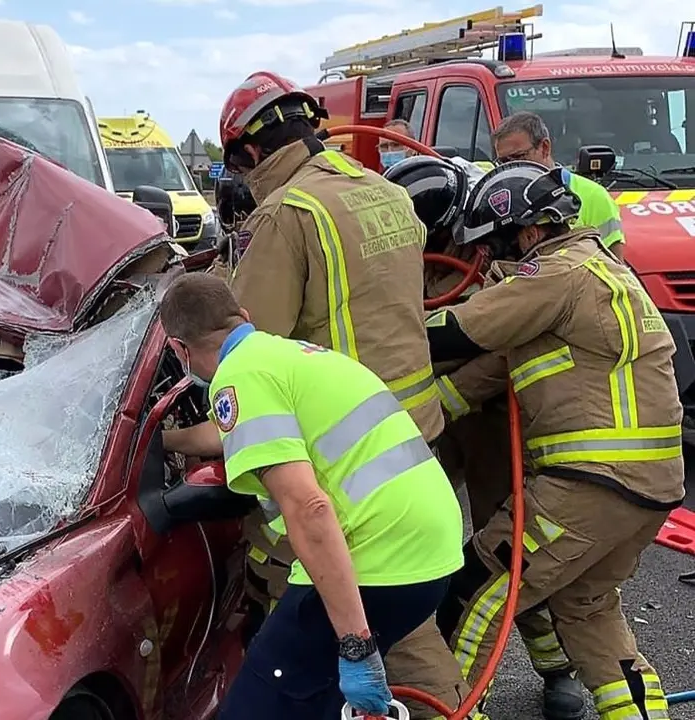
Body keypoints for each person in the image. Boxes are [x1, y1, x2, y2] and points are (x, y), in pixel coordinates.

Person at [168, 70, 445, 627]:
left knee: (347, 593)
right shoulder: (386, 191)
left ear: (248, 149)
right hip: (410, 426)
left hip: (343, 445)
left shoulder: (287, 213)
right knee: (400, 593)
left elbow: (242, 343)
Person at [426, 161, 681, 720]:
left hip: (590, 484)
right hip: (646, 486)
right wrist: (427, 412)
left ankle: (453, 710)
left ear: (530, 231)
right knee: (586, 607)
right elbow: (499, 365)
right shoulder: (603, 270)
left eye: (493, 245)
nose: (488, 262)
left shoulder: (552, 274)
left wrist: (379, 343)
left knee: (480, 588)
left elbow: (460, 332)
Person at [159, 273, 464, 719]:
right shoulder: (283, 355)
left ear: (179, 350)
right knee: (316, 698)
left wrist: (355, 645)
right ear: (244, 317)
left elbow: (310, 507)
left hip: (379, 559)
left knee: (256, 708)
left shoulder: (239, 378)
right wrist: (165, 440)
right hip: (430, 548)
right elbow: (232, 429)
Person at [386, 155, 586, 720]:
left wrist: (445, 400)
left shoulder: (499, 269)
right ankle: (436, 672)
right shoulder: (406, 266)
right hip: (427, 420)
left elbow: (500, 349)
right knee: (421, 542)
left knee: (505, 554)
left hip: (488, 421)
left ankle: (554, 669)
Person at [492, 111, 627, 263]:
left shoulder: (594, 196)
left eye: (519, 158)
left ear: (544, 147)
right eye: (503, 163)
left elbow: (616, 269)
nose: (511, 169)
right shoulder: (500, 203)